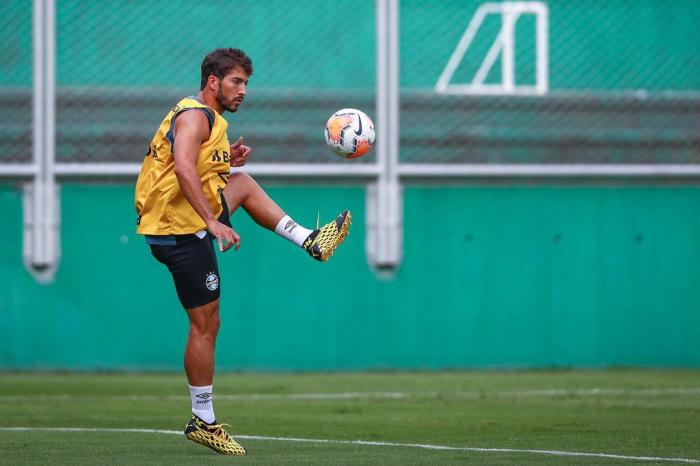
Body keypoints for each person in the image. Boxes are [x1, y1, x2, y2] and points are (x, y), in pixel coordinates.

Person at [133, 48, 351, 455]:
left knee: (241, 181)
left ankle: (310, 240)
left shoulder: (211, 121)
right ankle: (203, 419)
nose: (243, 90)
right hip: (177, 228)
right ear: (213, 82)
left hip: (180, 221)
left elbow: (194, 164)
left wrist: (224, 160)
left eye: (246, 83)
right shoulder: (194, 115)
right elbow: (182, 167)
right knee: (205, 326)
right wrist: (212, 222)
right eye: (236, 81)